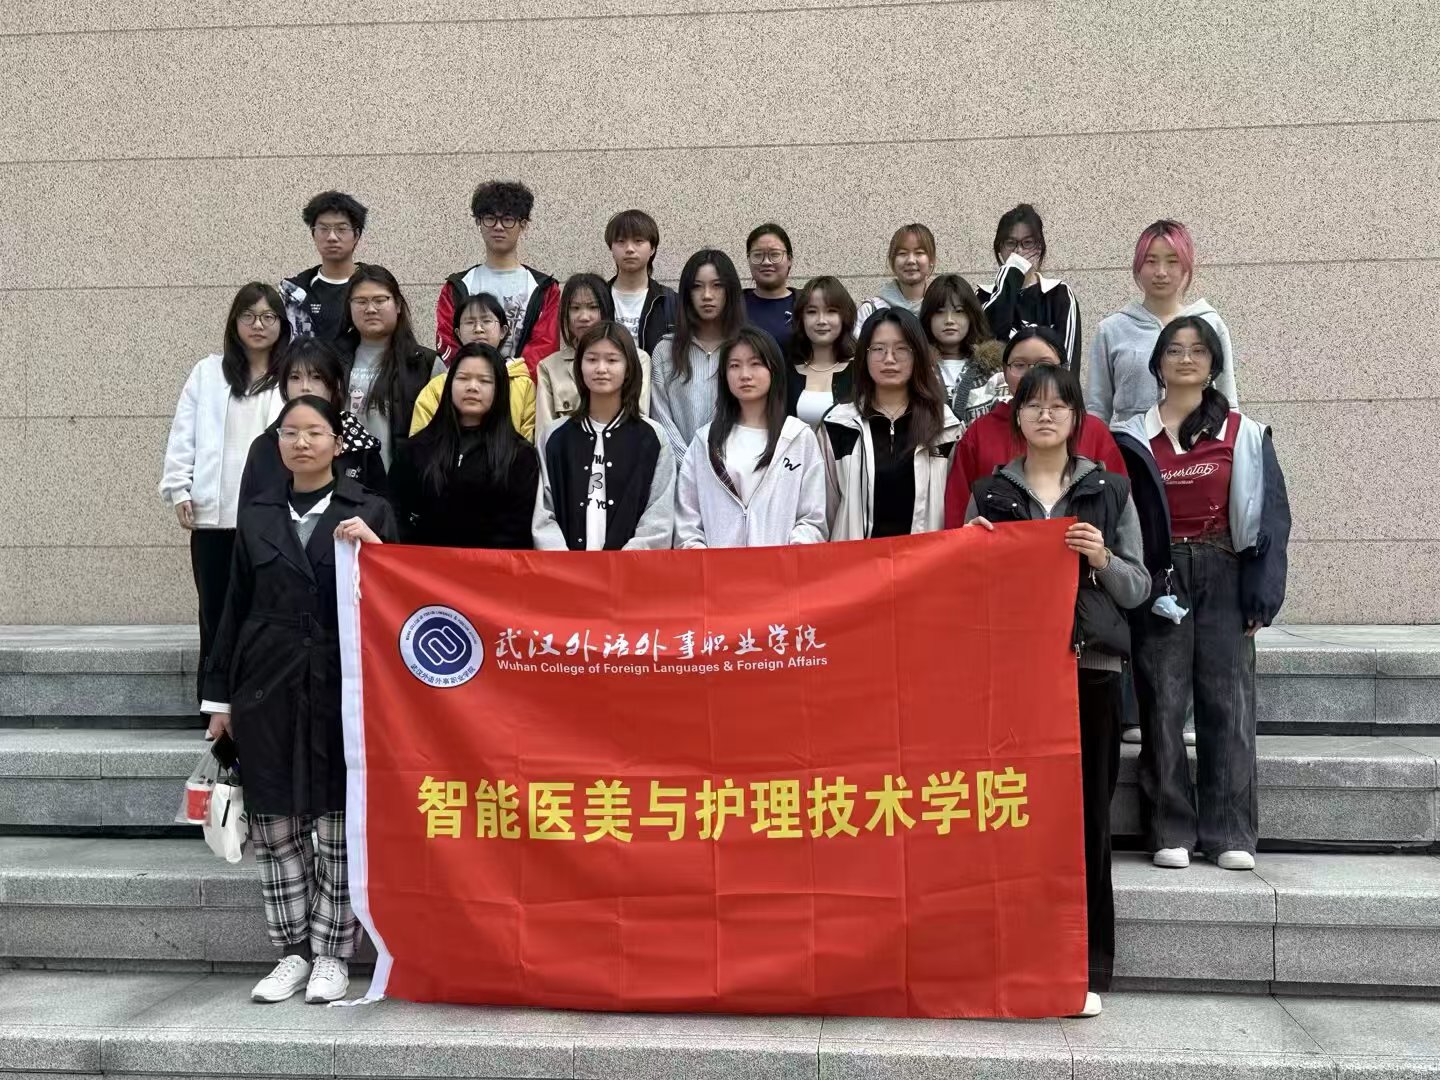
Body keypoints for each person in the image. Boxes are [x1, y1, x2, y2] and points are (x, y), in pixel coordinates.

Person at [964, 364, 1150, 1019]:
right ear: (1015, 417)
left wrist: (1101, 557)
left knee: (1087, 822)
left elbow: (1139, 586)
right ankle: (1009, 957)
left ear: (1077, 418)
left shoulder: (1111, 491)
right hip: (1015, 676)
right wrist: (970, 551)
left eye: (1058, 405)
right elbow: (964, 589)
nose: (1046, 415)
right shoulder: (990, 493)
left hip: (1091, 671)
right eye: (1034, 404)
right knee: (1015, 818)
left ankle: (1084, 965)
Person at [200, 394, 395, 1005]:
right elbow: (232, 606)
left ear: (338, 443)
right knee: (275, 822)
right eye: (290, 433)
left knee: (337, 823)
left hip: (341, 680)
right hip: (266, 679)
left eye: (315, 432)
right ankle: (292, 952)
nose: (302, 442)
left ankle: (333, 953)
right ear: (277, 443)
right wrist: (220, 700)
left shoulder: (370, 509)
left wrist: (377, 550)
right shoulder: (258, 513)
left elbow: (404, 598)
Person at [1111, 316, 1290, 873]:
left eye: (1198, 350)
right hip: (1161, 572)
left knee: (1228, 703)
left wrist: (1262, 594)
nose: (1185, 359)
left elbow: (1272, 516)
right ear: (1157, 364)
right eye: (1174, 350)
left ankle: (1230, 831)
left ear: (1214, 364)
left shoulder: (1244, 432)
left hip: (1224, 569)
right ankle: (1170, 829)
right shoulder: (1131, 435)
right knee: (1162, 702)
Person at [160, 283, 289, 704]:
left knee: (263, 615)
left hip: (271, 519)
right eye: (248, 315)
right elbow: (184, 434)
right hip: (215, 520)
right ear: (234, 322)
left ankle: (258, 705)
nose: (258, 325)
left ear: (282, 324)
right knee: (215, 614)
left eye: (268, 316)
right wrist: (179, 489)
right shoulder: (208, 372)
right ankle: (214, 707)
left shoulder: (291, 375)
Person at [942, 328, 1127, 528]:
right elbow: (958, 507)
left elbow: (1119, 505)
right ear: (1004, 371)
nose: (1032, 373)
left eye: (1044, 365)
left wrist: (1103, 548)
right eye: (1019, 365)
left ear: (1064, 369)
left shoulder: (1092, 430)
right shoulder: (980, 432)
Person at [675, 327, 827, 548]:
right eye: (734, 366)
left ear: (773, 369)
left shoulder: (799, 437)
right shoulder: (705, 441)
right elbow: (687, 521)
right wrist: (703, 558)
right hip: (717, 567)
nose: (745, 375)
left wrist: (789, 557)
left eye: (755, 364)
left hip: (781, 567)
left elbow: (813, 518)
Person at [533, 322, 676, 550]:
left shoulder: (653, 437)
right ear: (579, 366)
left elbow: (659, 518)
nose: (601, 368)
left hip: (630, 569)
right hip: (564, 568)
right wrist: (565, 563)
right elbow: (543, 513)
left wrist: (622, 564)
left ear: (628, 368)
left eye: (612, 360)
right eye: (591, 359)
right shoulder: (554, 436)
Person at [819, 308, 960, 539]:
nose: (889, 359)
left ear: (918, 354)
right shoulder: (839, 425)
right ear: (864, 356)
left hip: (925, 557)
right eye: (878, 349)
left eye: (901, 349)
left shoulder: (946, 426)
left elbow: (957, 505)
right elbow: (824, 511)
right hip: (855, 557)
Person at [1087, 219, 1238, 424]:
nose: (1161, 272)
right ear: (1138, 266)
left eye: (1172, 261)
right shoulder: (1111, 330)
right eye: (1151, 261)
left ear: (1186, 267)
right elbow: (1096, 409)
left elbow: (1228, 402)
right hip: (1130, 441)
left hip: (1197, 439)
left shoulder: (1210, 324)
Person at [389, 344, 539, 548]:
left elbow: (517, 532)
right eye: (463, 378)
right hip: (421, 564)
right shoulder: (415, 449)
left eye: (484, 380)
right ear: (449, 384)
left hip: (491, 565)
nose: (472, 387)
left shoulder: (520, 456)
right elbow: (395, 515)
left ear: (500, 389)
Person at [239, 338, 385, 506]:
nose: (305, 387)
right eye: (295, 377)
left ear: (336, 383)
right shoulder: (265, 446)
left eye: (316, 377)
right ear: (284, 385)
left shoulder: (361, 446)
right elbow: (249, 514)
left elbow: (381, 512)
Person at [435, 180, 559, 376]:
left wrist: (511, 379)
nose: (498, 226)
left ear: (523, 225)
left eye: (508, 219)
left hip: (524, 389)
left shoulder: (544, 289)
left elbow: (545, 346)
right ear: (479, 222)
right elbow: (448, 342)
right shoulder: (457, 287)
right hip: (470, 385)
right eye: (490, 218)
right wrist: (478, 376)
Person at [336, 265, 443, 470]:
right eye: (361, 301)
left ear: (398, 305)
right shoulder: (332, 360)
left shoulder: (425, 363)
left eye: (380, 300)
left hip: (403, 478)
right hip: (343, 478)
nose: (370, 309)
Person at [649, 249, 747, 460]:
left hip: (735, 471)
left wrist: (723, 468)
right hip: (679, 471)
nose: (707, 295)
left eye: (717, 285)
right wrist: (691, 467)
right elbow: (660, 419)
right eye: (697, 287)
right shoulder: (665, 350)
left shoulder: (747, 349)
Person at [537, 273, 651, 438]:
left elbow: (640, 422)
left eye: (593, 307)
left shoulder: (638, 359)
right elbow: (545, 435)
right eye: (575, 308)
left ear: (606, 310)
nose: (584, 317)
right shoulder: (549, 367)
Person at [410, 292, 536, 441]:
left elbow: (528, 441)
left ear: (503, 331)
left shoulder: (523, 384)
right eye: (470, 322)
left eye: (486, 321)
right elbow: (420, 444)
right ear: (458, 333)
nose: (478, 329)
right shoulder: (438, 386)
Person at [979, 203, 1082, 373]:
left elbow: (1067, 364)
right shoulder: (983, 295)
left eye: (1027, 243)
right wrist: (1011, 276)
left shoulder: (1059, 294)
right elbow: (985, 345)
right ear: (999, 249)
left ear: (1039, 248)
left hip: (1045, 388)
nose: (1019, 251)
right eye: (1010, 243)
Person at [281, 190, 366, 341]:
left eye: (341, 229)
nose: (332, 237)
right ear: (313, 235)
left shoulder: (376, 285)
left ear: (356, 235)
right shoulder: (294, 291)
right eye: (323, 229)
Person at [919, 273, 1004, 423]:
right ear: (928, 318)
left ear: (972, 316)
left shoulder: (993, 371)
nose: (949, 320)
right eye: (939, 312)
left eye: (959, 311)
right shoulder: (916, 369)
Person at [786, 276, 856, 424]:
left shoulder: (860, 372)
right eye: (812, 312)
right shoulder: (786, 372)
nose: (821, 321)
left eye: (831, 311)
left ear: (845, 316)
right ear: (801, 318)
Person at [606, 208, 677, 352]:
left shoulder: (670, 301)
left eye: (638, 241)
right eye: (621, 241)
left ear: (652, 248)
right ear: (611, 248)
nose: (629, 249)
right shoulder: (598, 297)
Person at [854, 224, 936, 331]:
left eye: (919, 253)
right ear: (892, 262)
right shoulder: (870, 311)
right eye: (902, 253)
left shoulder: (942, 309)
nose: (911, 260)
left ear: (931, 260)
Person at [742, 223, 797, 352]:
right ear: (748, 259)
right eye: (758, 255)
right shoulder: (735, 304)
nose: (766, 262)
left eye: (775, 254)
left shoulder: (806, 303)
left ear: (789, 259)